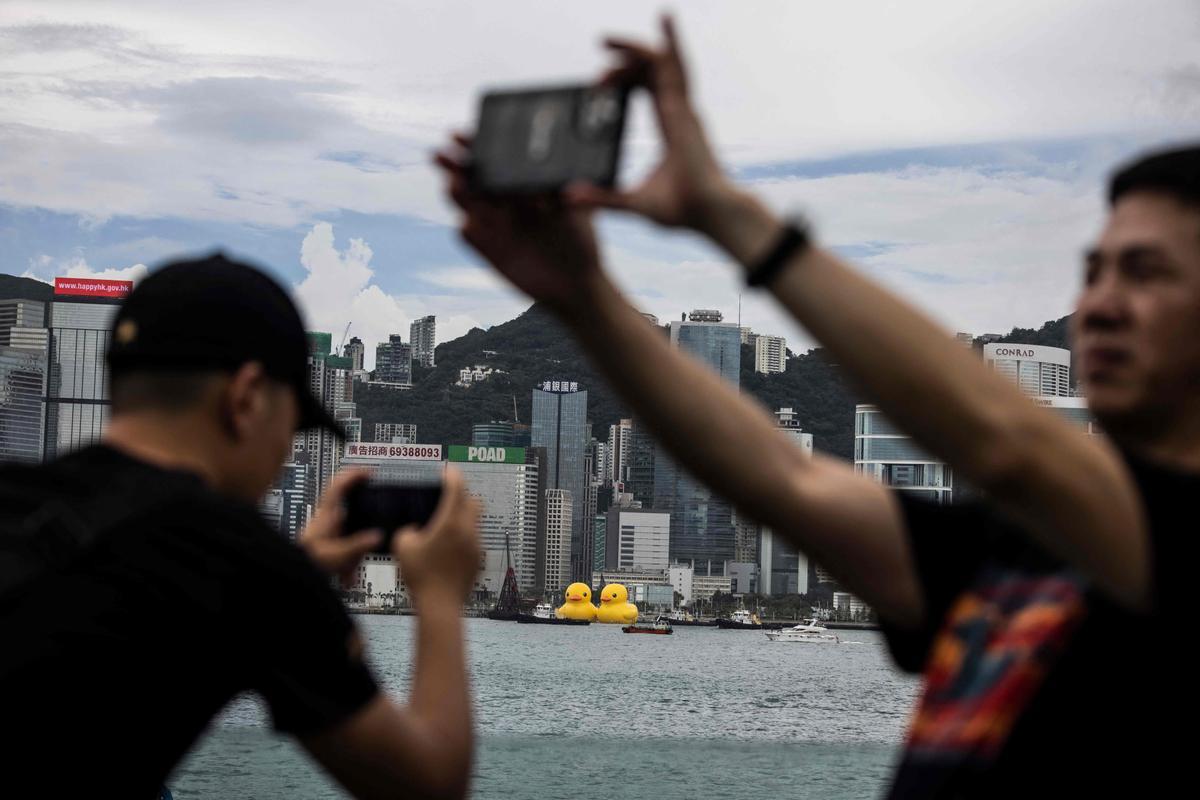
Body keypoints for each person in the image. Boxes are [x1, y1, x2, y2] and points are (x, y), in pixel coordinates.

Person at [436, 16, 1195, 797]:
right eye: (1095, 271)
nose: (1099, 304)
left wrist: (728, 212)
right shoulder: (1017, 558)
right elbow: (779, 479)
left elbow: (1008, 445)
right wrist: (582, 296)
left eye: (1144, 273)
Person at [0, 255, 482, 800]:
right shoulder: (243, 562)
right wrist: (441, 593)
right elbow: (428, 786)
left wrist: (295, 567)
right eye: (294, 425)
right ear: (246, 398)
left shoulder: (17, 493)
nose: (286, 451)